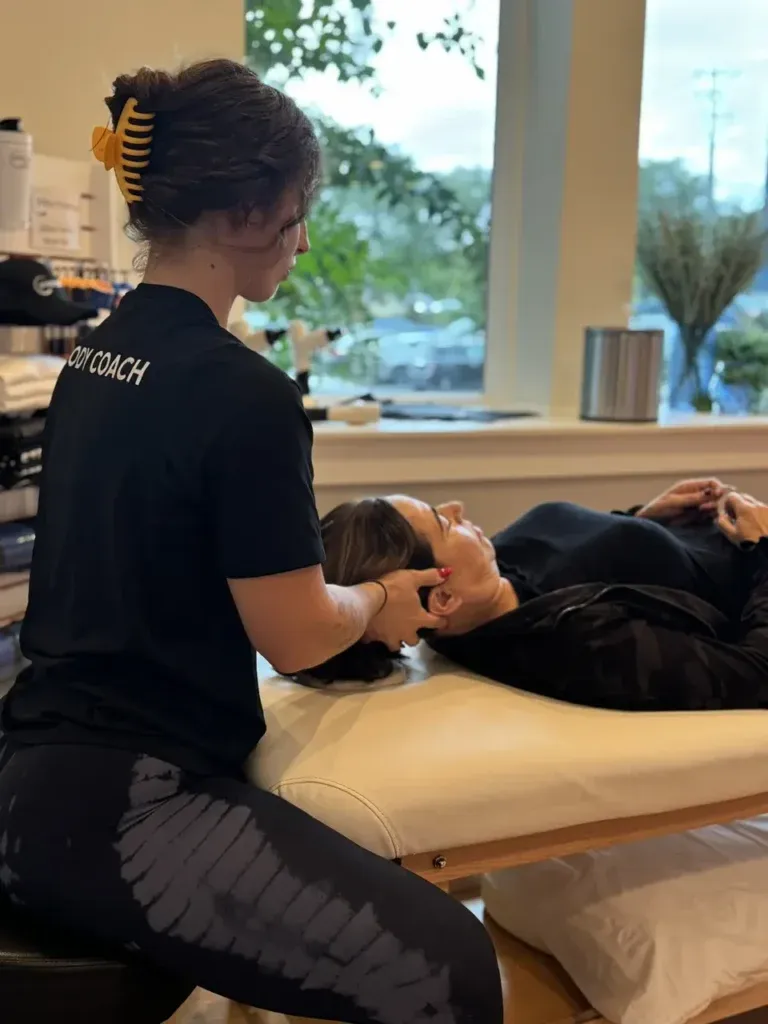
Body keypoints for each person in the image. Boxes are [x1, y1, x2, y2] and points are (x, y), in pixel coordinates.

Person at [0, 60, 503, 1024]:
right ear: (241, 216)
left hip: (36, 769)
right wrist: (379, 604)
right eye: (296, 212)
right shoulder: (245, 395)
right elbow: (299, 635)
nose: (304, 240)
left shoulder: (96, 357)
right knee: (451, 972)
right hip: (120, 814)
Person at [313, 481, 768, 711]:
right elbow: (756, 672)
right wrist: (763, 547)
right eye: (443, 522)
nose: (457, 509)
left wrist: (647, 521)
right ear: (441, 600)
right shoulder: (579, 642)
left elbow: (602, 568)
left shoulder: (493, 585)